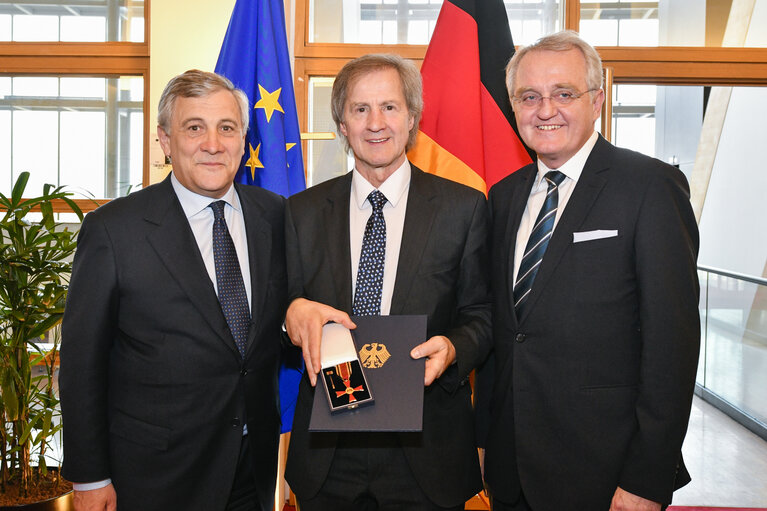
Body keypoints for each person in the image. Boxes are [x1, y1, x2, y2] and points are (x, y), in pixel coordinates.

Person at [475, 30, 700, 511]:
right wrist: (484, 441)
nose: (545, 110)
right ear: (514, 106)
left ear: (597, 100)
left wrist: (647, 477)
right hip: (511, 469)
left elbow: (672, 348)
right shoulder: (504, 196)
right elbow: (504, 334)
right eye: (529, 96)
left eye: (564, 93)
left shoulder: (650, 188)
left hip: (608, 475)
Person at [59, 69, 287, 511]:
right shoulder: (113, 230)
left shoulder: (275, 216)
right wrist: (90, 476)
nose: (213, 144)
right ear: (165, 140)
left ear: (244, 140)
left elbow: (273, 324)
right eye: (194, 128)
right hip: (154, 474)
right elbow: (82, 363)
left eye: (227, 128)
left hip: (251, 468)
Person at [283, 53, 492, 511]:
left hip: (426, 448)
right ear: (341, 122)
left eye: (390, 107)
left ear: (412, 118)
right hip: (328, 450)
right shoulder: (301, 213)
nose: (375, 123)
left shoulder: (464, 208)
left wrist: (455, 350)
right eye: (360, 109)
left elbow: (481, 315)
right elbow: (283, 317)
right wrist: (289, 318)